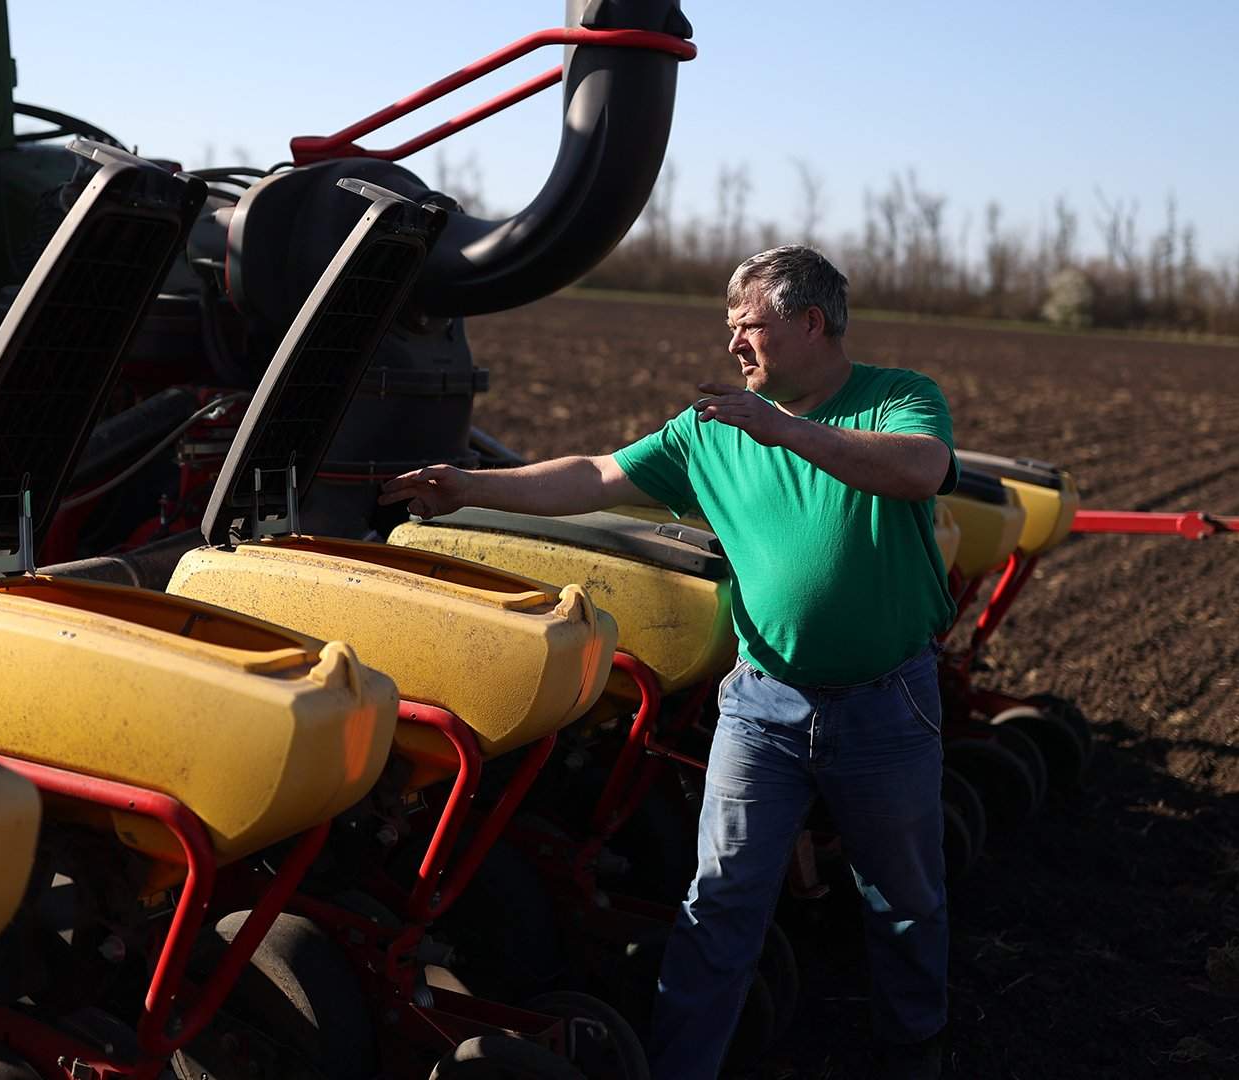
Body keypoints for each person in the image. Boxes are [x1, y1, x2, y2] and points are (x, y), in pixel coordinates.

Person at [379, 245, 956, 1079]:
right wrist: (473, 487)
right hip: (764, 706)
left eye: (748, 326)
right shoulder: (712, 431)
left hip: (885, 704)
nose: (734, 346)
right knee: (718, 901)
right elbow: (597, 474)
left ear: (810, 322)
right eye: (728, 329)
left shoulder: (896, 400)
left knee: (903, 898)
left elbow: (920, 471)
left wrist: (786, 431)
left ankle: (914, 1050)